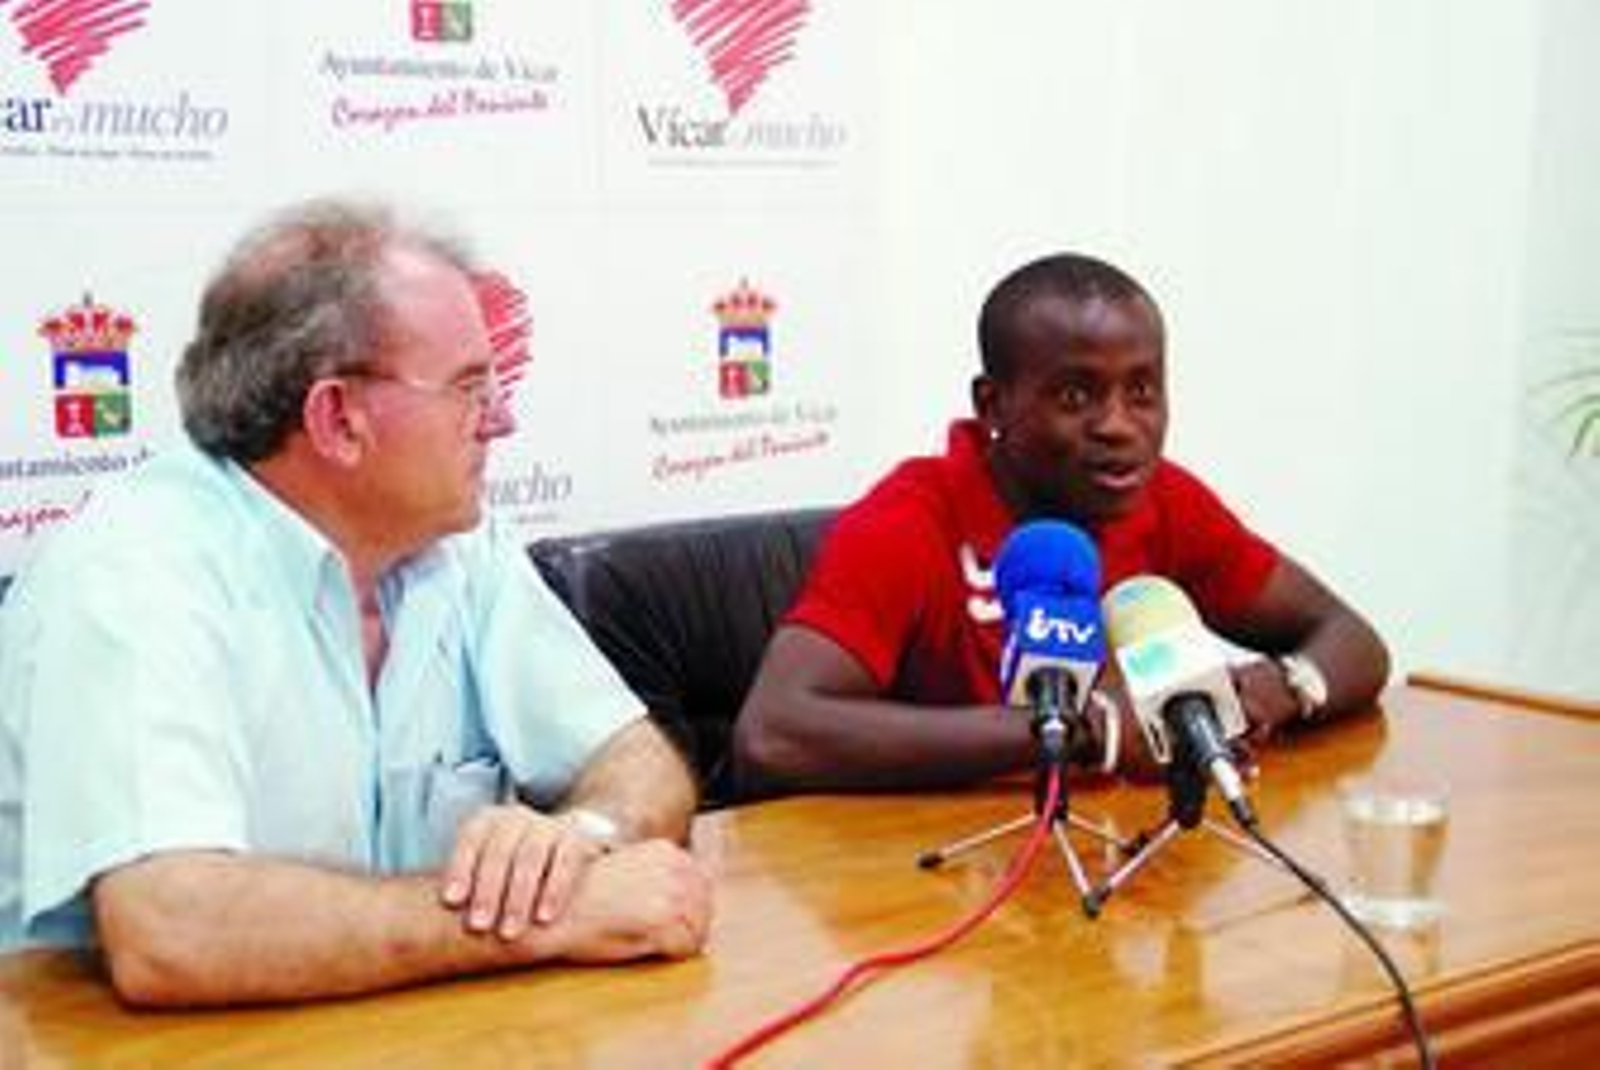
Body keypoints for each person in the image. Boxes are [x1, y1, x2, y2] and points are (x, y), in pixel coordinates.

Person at [0, 199, 712, 1005]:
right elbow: (170, 931)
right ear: (338, 419)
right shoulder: (136, 570)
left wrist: (583, 840)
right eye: (470, 389)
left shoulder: (458, 545)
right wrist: (545, 920)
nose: (502, 421)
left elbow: (636, 760)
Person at [733, 252, 1389, 795]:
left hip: (1120, 873)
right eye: (1077, 396)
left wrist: (1276, 690)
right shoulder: (909, 519)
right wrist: (1082, 733)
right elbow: (774, 735)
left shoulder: (1165, 501)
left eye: (1142, 391)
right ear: (993, 403)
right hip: (940, 883)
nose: (1118, 425)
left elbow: (1354, 642)